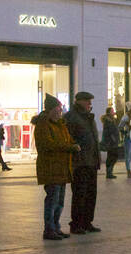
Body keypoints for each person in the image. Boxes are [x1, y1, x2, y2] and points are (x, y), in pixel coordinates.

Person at [32, 94, 72, 240]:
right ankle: (49, 229)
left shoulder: (60, 124)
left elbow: (67, 139)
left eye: (61, 109)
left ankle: (56, 227)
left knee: (60, 201)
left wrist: (71, 145)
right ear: (50, 110)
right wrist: (69, 148)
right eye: (58, 109)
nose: (60, 111)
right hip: (50, 167)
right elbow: (47, 145)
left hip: (61, 167)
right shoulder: (44, 125)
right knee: (52, 199)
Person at [64, 92, 101, 234]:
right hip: (80, 163)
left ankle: (87, 222)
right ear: (79, 101)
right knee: (80, 194)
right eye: (88, 102)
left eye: (90, 102)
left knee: (91, 194)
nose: (90, 104)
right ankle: (76, 224)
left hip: (91, 161)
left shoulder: (88, 117)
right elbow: (68, 139)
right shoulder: (71, 117)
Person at [100, 107, 121, 179]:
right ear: (109, 112)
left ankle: (109, 172)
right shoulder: (108, 121)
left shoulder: (112, 120)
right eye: (112, 111)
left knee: (112, 156)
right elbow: (109, 132)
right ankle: (109, 172)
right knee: (112, 156)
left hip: (113, 141)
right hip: (111, 142)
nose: (114, 112)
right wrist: (114, 140)